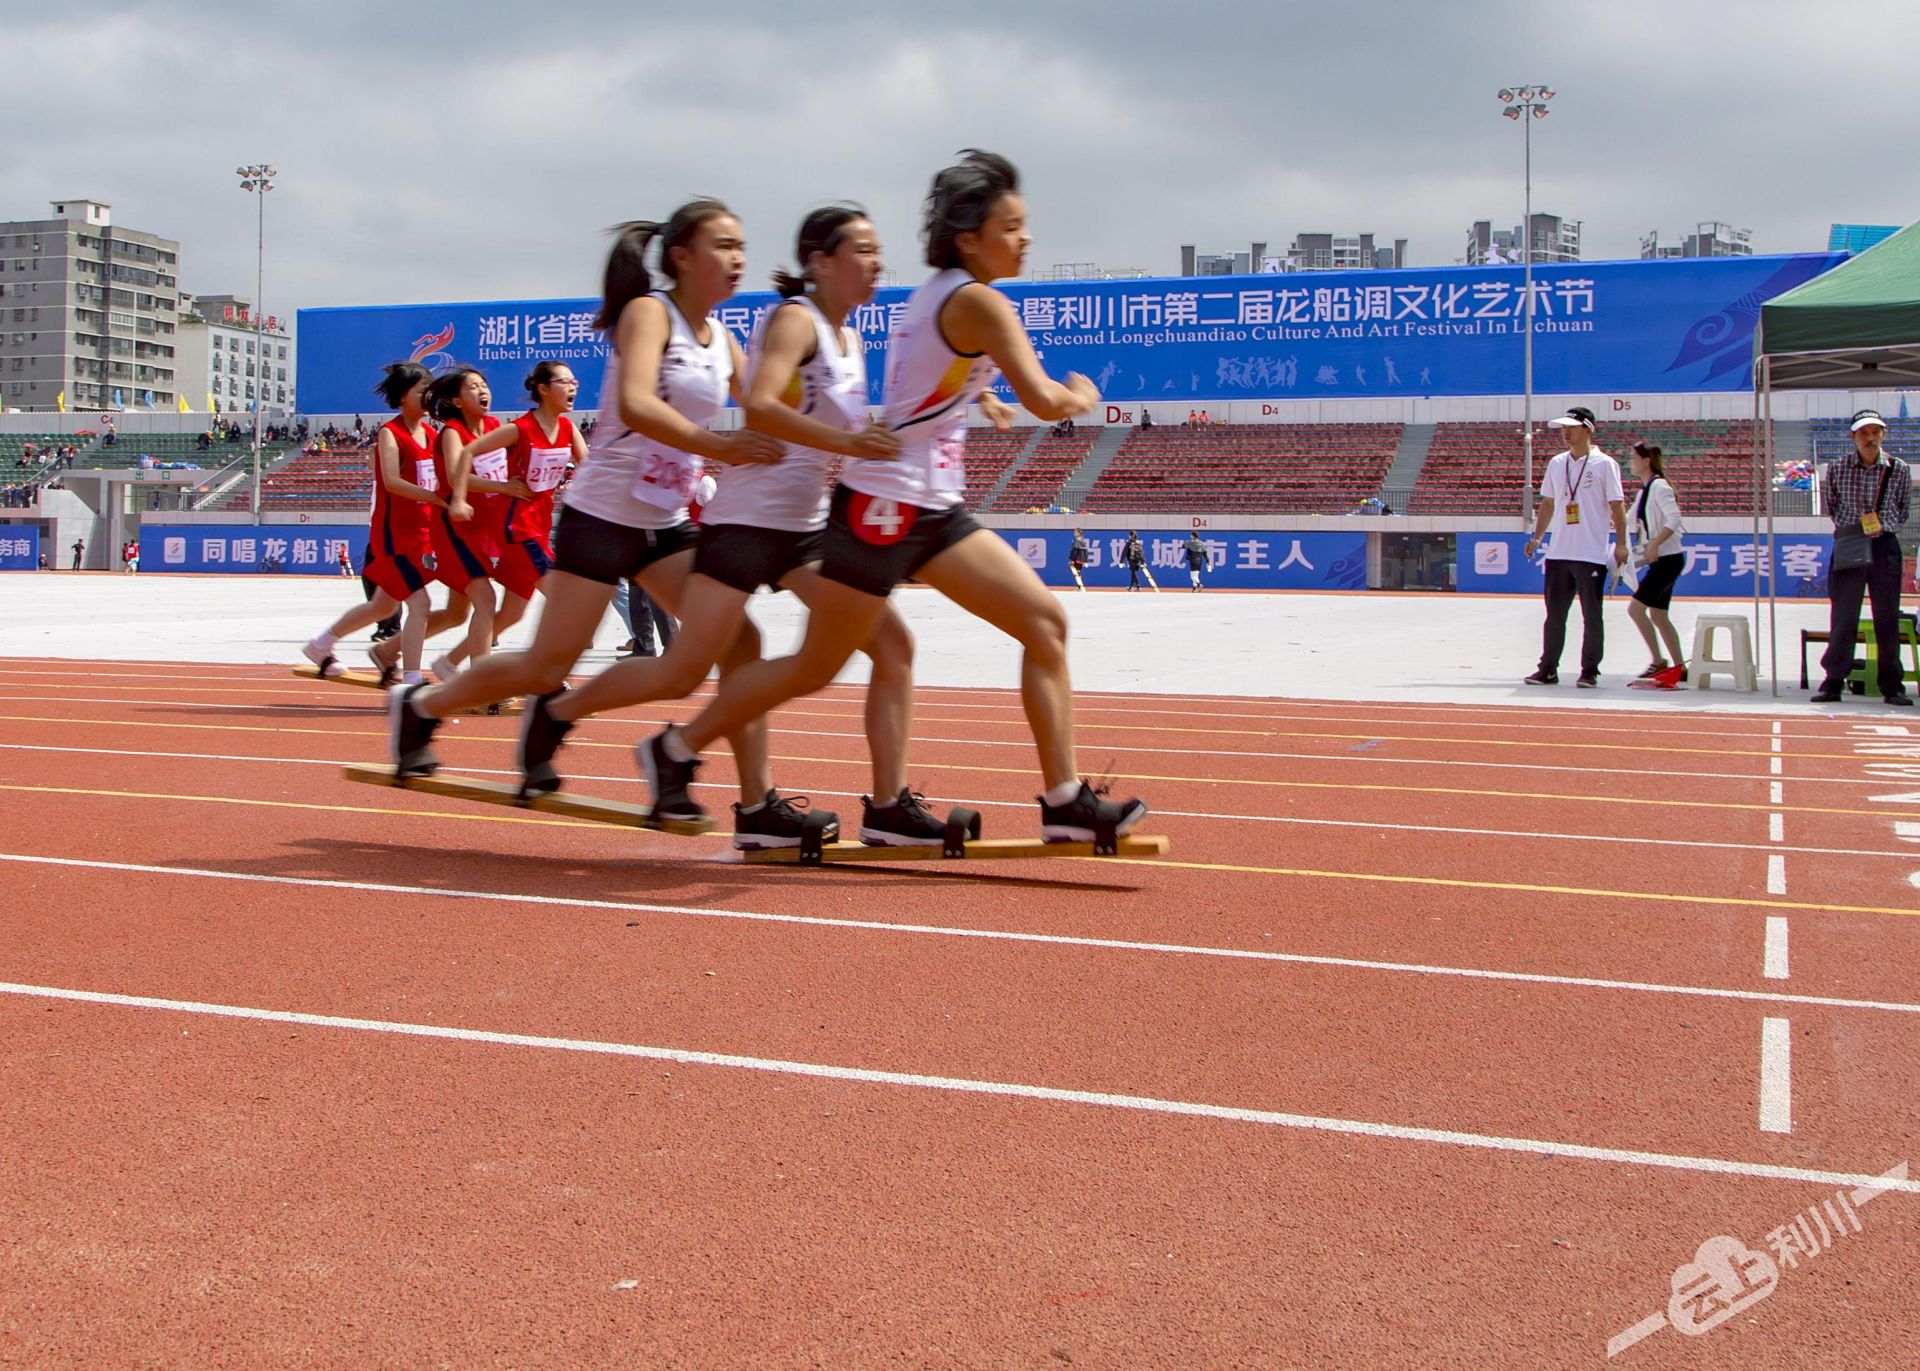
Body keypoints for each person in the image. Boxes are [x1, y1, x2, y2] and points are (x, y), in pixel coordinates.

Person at [633, 151, 1147, 845]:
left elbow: (933, 382)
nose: (1025, 239)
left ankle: (1058, 799)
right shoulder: (975, 300)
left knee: (1042, 623)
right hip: (887, 507)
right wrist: (1083, 394)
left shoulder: (938, 295)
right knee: (817, 666)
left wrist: (979, 396)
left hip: (928, 507)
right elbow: (1047, 396)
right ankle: (677, 748)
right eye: (1012, 226)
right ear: (969, 237)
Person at [517, 203, 945, 846]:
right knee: (682, 671)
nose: (878, 263)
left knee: (889, 644)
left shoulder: (850, 340)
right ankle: (567, 711)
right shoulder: (792, 321)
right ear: (821, 263)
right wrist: (742, 445)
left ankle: (872, 807)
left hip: (801, 527)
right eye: (863, 250)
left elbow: (796, 411)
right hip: (743, 522)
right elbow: (765, 408)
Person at [389, 201, 793, 836]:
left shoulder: (725, 343)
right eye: (724, 245)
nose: (739, 258)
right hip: (603, 516)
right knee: (545, 664)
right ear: (682, 257)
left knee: (739, 641)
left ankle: (757, 804)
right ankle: (424, 706)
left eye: (743, 244)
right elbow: (634, 403)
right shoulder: (649, 314)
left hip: (664, 519)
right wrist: (720, 447)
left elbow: (768, 403)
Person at [300, 362, 445, 683]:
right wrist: (436, 498)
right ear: (403, 396)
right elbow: (392, 481)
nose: (427, 398)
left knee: (382, 606)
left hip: (424, 536)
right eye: (421, 392)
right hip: (394, 537)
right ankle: (410, 678)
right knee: (420, 605)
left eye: (429, 392)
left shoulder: (433, 434)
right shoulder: (390, 434)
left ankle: (319, 645)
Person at [453, 361, 586, 659]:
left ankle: (449, 663)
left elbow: (590, 468)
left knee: (512, 613)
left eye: (574, 381)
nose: (573, 386)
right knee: (563, 599)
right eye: (565, 381)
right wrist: (460, 498)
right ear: (543, 389)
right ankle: (546, 674)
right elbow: (466, 453)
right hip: (516, 527)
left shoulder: (568, 428)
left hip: (540, 523)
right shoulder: (520, 429)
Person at [1812, 409, 1913, 705]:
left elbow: (1903, 507)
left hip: (1885, 544)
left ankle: (1892, 686)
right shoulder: (1838, 467)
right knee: (1843, 615)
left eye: (1875, 432)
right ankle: (1833, 681)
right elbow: (1831, 504)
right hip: (1850, 540)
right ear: (1853, 436)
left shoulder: (1899, 468)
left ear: (1884, 434)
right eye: (1864, 433)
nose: (1870, 438)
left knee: (1887, 616)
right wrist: (1853, 525)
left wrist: (1884, 524)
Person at [1522, 406, 1626, 688]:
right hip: (1558, 553)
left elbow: (1617, 507)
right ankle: (1548, 669)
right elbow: (1548, 503)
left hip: (1590, 554)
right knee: (1554, 616)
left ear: (1587, 429)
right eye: (1563, 428)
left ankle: (1589, 670)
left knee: (1592, 616)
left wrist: (1621, 544)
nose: (1565, 433)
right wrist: (1537, 537)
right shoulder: (1557, 463)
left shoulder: (1604, 464)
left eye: (1571, 427)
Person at [1623, 441, 1688, 684]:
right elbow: (1627, 520)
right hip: (1662, 560)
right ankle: (1679, 666)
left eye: (1633, 457)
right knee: (1659, 616)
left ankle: (1659, 662)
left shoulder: (1659, 486)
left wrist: (1653, 544)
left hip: (1668, 559)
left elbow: (1674, 519)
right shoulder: (1644, 491)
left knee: (1636, 609)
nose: (1630, 462)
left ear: (1646, 460)